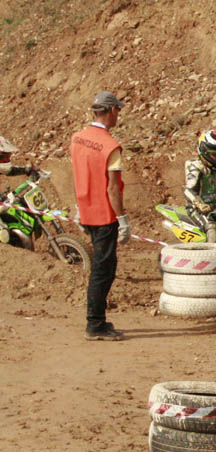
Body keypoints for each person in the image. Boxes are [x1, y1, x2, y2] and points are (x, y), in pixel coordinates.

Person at [70, 91, 130, 341]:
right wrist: (123, 220)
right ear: (111, 110)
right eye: (118, 110)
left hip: (86, 210)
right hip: (104, 215)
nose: (119, 115)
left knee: (102, 267)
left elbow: (78, 174)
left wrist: (78, 208)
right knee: (102, 270)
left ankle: (97, 321)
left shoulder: (77, 139)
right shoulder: (110, 146)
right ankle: (95, 324)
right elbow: (112, 189)